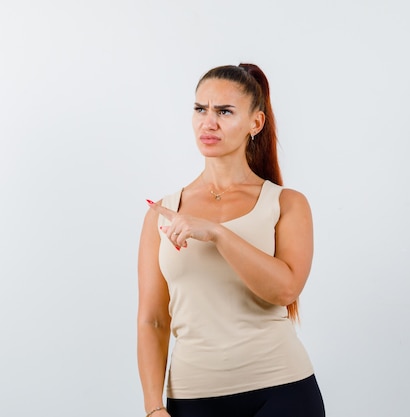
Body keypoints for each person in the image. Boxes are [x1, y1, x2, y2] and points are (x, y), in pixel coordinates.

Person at [137, 63, 325, 417]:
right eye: (200, 109)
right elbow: (153, 320)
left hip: (282, 390)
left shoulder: (286, 204)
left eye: (224, 111)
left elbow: (286, 290)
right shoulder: (162, 213)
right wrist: (152, 408)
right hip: (194, 397)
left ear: (255, 123)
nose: (209, 122)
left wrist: (219, 235)